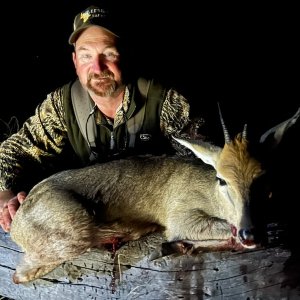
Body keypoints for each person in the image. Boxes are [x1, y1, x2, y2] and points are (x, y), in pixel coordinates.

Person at [0, 5, 199, 232]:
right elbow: (14, 150)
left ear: (126, 54)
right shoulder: (62, 104)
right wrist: (5, 196)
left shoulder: (166, 101)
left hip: (157, 221)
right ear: (75, 61)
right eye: (86, 55)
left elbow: (202, 167)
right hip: (91, 222)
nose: (97, 67)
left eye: (108, 54)